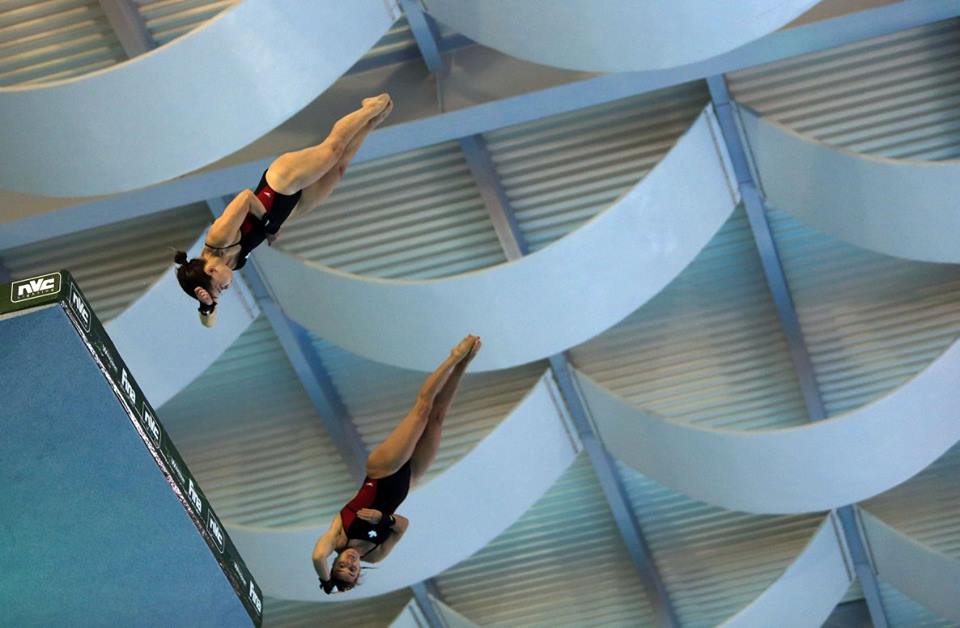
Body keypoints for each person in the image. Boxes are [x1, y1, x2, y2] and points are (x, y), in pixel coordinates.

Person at [173, 94, 393, 326]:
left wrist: (270, 226)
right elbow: (208, 324)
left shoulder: (218, 238)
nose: (226, 289)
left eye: (219, 289)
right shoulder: (230, 264)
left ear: (210, 271)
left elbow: (246, 197)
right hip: (290, 208)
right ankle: (370, 124)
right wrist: (206, 307)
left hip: (280, 182)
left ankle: (370, 108)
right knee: (338, 169)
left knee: (334, 149)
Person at [312, 335, 482, 594]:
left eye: (342, 566)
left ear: (335, 562)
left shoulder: (336, 538)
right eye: (353, 570)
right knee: (437, 418)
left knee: (422, 410)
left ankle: (454, 356)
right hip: (408, 479)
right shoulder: (375, 555)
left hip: (381, 472)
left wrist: (327, 583)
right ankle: (464, 364)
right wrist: (384, 518)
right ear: (359, 572)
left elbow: (316, 558)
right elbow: (402, 526)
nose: (349, 563)